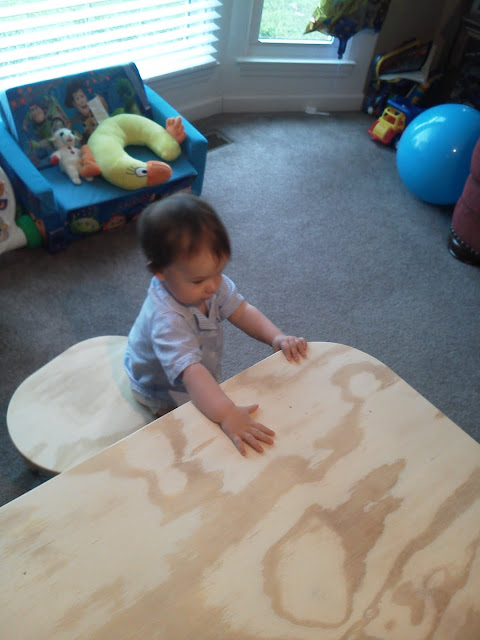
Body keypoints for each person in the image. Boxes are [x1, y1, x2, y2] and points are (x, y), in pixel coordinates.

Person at [124, 193, 308, 456]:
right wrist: (227, 414)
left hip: (197, 359)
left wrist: (276, 337)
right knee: (187, 424)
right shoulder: (167, 319)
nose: (212, 286)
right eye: (199, 281)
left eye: (218, 272)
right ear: (160, 272)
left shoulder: (207, 282)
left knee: (205, 389)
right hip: (160, 384)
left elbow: (242, 311)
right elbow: (192, 373)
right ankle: (162, 412)